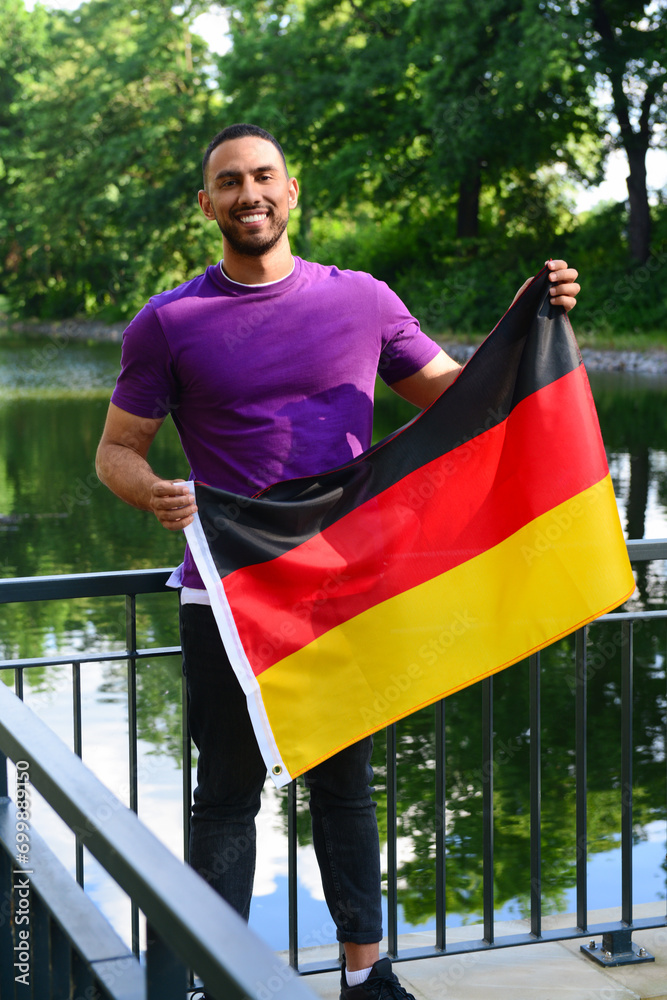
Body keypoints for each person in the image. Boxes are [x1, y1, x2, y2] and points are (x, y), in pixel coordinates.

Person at [95, 123, 581, 999]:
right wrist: (153, 491)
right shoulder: (167, 323)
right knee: (225, 798)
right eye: (230, 182)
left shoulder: (362, 301)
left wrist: (530, 323)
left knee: (347, 791)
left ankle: (366, 977)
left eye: (264, 176)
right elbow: (115, 452)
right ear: (207, 205)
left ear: (292, 191)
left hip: (342, 592)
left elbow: (459, 397)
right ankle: (213, 977)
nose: (249, 193)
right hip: (229, 599)